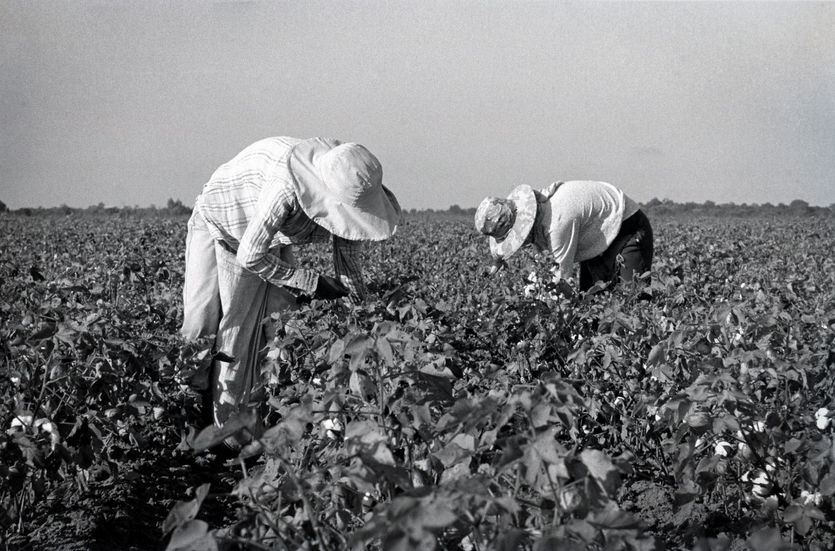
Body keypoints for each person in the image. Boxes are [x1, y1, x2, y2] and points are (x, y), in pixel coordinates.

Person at [181, 136, 402, 436]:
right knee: (220, 331)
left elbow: (348, 267)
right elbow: (250, 255)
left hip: (270, 238)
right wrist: (311, 282)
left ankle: (266, 416)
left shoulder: (348, 183)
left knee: (281, 324)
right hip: (225, 223)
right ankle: (211, 426)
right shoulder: (286, 186)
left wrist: (365, 320)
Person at [474, 180, 653, 292]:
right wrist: (496, 266)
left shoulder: (557, 223)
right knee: (592, 302)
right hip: (595, 237)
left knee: (633, 299)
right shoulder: (539, 212)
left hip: (627, 226)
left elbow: (561, 279)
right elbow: (544, 267)